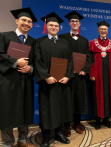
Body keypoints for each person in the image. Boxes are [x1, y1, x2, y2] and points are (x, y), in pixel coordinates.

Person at [34, 12, 75, 147]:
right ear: (47, 26)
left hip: (62, 82)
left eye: (56, 25)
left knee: (61, 107)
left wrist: (67, 76)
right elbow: (37, 61)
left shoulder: (65, 43)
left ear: (59, 28)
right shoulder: (39, 42)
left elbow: (70, 61)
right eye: (51, 25)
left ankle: (58, 132)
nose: (54, 27)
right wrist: (46, 76)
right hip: (48, 83)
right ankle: (45, 136)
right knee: (47, 108)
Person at [0, 7, 37, 147]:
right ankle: (7, 142)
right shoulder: (4, 36)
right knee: (7, 110)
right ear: (17, 21)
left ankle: (22, 139)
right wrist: (15, 62)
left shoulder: (33, 42)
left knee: (25, 110)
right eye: (23, 20)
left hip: (25, 81)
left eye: (29, 21)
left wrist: (30, 68)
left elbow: (36, 62)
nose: (26, 23)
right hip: (8, 81)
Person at [59, 10, 91, 136]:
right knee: (67, 100)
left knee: (79, 100)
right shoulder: (63, 37)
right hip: (67, 75)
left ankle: (77, 123)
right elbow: (60, 55)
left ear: (80, 23)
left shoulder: (84, 40)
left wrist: (85, 70)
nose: (74, 23)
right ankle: (66, 125)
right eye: (72, 21)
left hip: (80, 75)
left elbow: (88, 58)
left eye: (76, 21)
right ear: (69, 23)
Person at [89, 20, 111, 130]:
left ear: (107, 31)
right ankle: (97, 120)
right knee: (96, 97)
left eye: (105, 29)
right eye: (101, 29)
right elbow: (90, 60)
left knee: (108, 96)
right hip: (96, 76)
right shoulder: (92, 43)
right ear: (98, 30)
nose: (103, 31)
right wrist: (92, 73)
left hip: (109, 77)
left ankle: (106, 119)